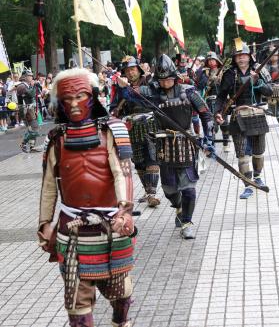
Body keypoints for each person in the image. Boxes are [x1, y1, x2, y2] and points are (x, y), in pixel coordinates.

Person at [38, 68, 135, 327]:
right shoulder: (57, 139)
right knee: (76, 299)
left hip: (111, 225)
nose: (73, 104)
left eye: (79, 96)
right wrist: (44, 223)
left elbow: (122, 172)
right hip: (72, 229)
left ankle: (120, 323)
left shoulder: (113, 131)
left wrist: (124, 210)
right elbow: (49, 185)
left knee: (121, 294)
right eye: (66, 99)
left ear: (92, 96)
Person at [118, 54, 214, 239]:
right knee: (170, 189)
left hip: (186, 143)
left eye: (168, 79)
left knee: (188, 187)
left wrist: (208, 138)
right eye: (161, 80)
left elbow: (206, 114)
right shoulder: (153, 95)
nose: (165, 83)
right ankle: (178, 207)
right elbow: (132, 94)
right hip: (164, 144)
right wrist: (122, 85)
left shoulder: (189, 91)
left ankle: (187, 221)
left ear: (175, 77)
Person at [215, 42, 273, 199]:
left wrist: (258, 82)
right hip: (238, 116)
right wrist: (218, 112)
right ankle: (247, 185)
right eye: (238, 56)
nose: (241, 58)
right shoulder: (229, 74)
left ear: (249, 56)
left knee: (258, 151)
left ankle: (258, 177)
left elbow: (270, 91)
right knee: (242, 153)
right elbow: (221, 97)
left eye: (244, 55)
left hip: (257, 114)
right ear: (234, 58)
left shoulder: (259, 70)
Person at [111, 56, 160, 208]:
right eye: (127, 70)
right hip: (131, 127)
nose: (130, 73)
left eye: (132, 69)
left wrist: (128, 89)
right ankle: (147, 191)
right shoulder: (119, 86)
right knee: (138, 161)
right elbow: (114, 105)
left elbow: (151, 99)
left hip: (149, 124)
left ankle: (152, 194)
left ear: (138, 69)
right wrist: (114, 111)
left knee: (151, 156)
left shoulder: (150, 82)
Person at [199, 52, 230, 152]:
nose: (211, 61)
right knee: (212, 125)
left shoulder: (224, 71)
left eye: (213, 59)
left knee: (224, 123)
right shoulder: (205, 72)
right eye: (209, 60)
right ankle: (212, 145)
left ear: (216, 60)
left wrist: (220, 80)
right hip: (209, 100)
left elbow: (227, 84)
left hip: (222, 100)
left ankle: (226, 144)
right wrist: (209, 80)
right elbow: (201, 84)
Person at [17, 69, 40, 152]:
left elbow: (32, 97)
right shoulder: (21, 86)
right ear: (25, 77)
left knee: (32, 128)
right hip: (25, 109)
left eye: (31, 75)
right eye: (29, 75)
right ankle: (23, 143)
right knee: (34, 127)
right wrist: (33, 86)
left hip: (30, 108)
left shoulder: (27, 85)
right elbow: (31, 94)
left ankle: (31, 147)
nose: (31, 77)